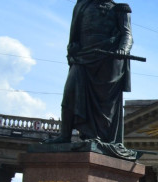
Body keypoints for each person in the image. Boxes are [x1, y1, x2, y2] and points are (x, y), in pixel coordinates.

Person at [47, 0, 135, 158]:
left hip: (108, 59)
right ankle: (64, 135)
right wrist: (72, 49)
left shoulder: (120, 9)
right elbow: (74, 34)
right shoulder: (82, 5)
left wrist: (123, 49)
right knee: (70, 94)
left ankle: (99, 137)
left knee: (105, 105)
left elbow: (127, 35)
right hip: (83, 57)